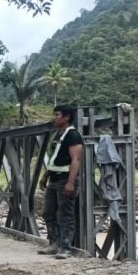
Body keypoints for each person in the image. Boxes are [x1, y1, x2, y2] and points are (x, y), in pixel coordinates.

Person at [38, 105, 84, 259]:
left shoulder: (73, 135)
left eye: (57, 114)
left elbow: (76, 160)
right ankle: (54, 243)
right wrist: (45, 175)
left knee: (65, 215)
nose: (54, 117)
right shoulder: (58, 134)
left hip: (65, 179)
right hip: (54, 178)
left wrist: (70, 183)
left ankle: (65, 248)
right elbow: (54, 158)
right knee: (48, 212)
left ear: (67, 117)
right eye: (54, 114)